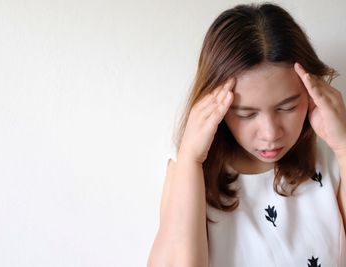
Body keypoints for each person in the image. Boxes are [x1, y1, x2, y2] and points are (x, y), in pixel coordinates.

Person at [147, 3, 346, 267]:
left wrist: (343, 144)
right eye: (246, 114)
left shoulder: (331, 159)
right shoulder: (189, 176)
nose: (271, 133)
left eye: (287, 107)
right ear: (217, 109)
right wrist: (190, 159)